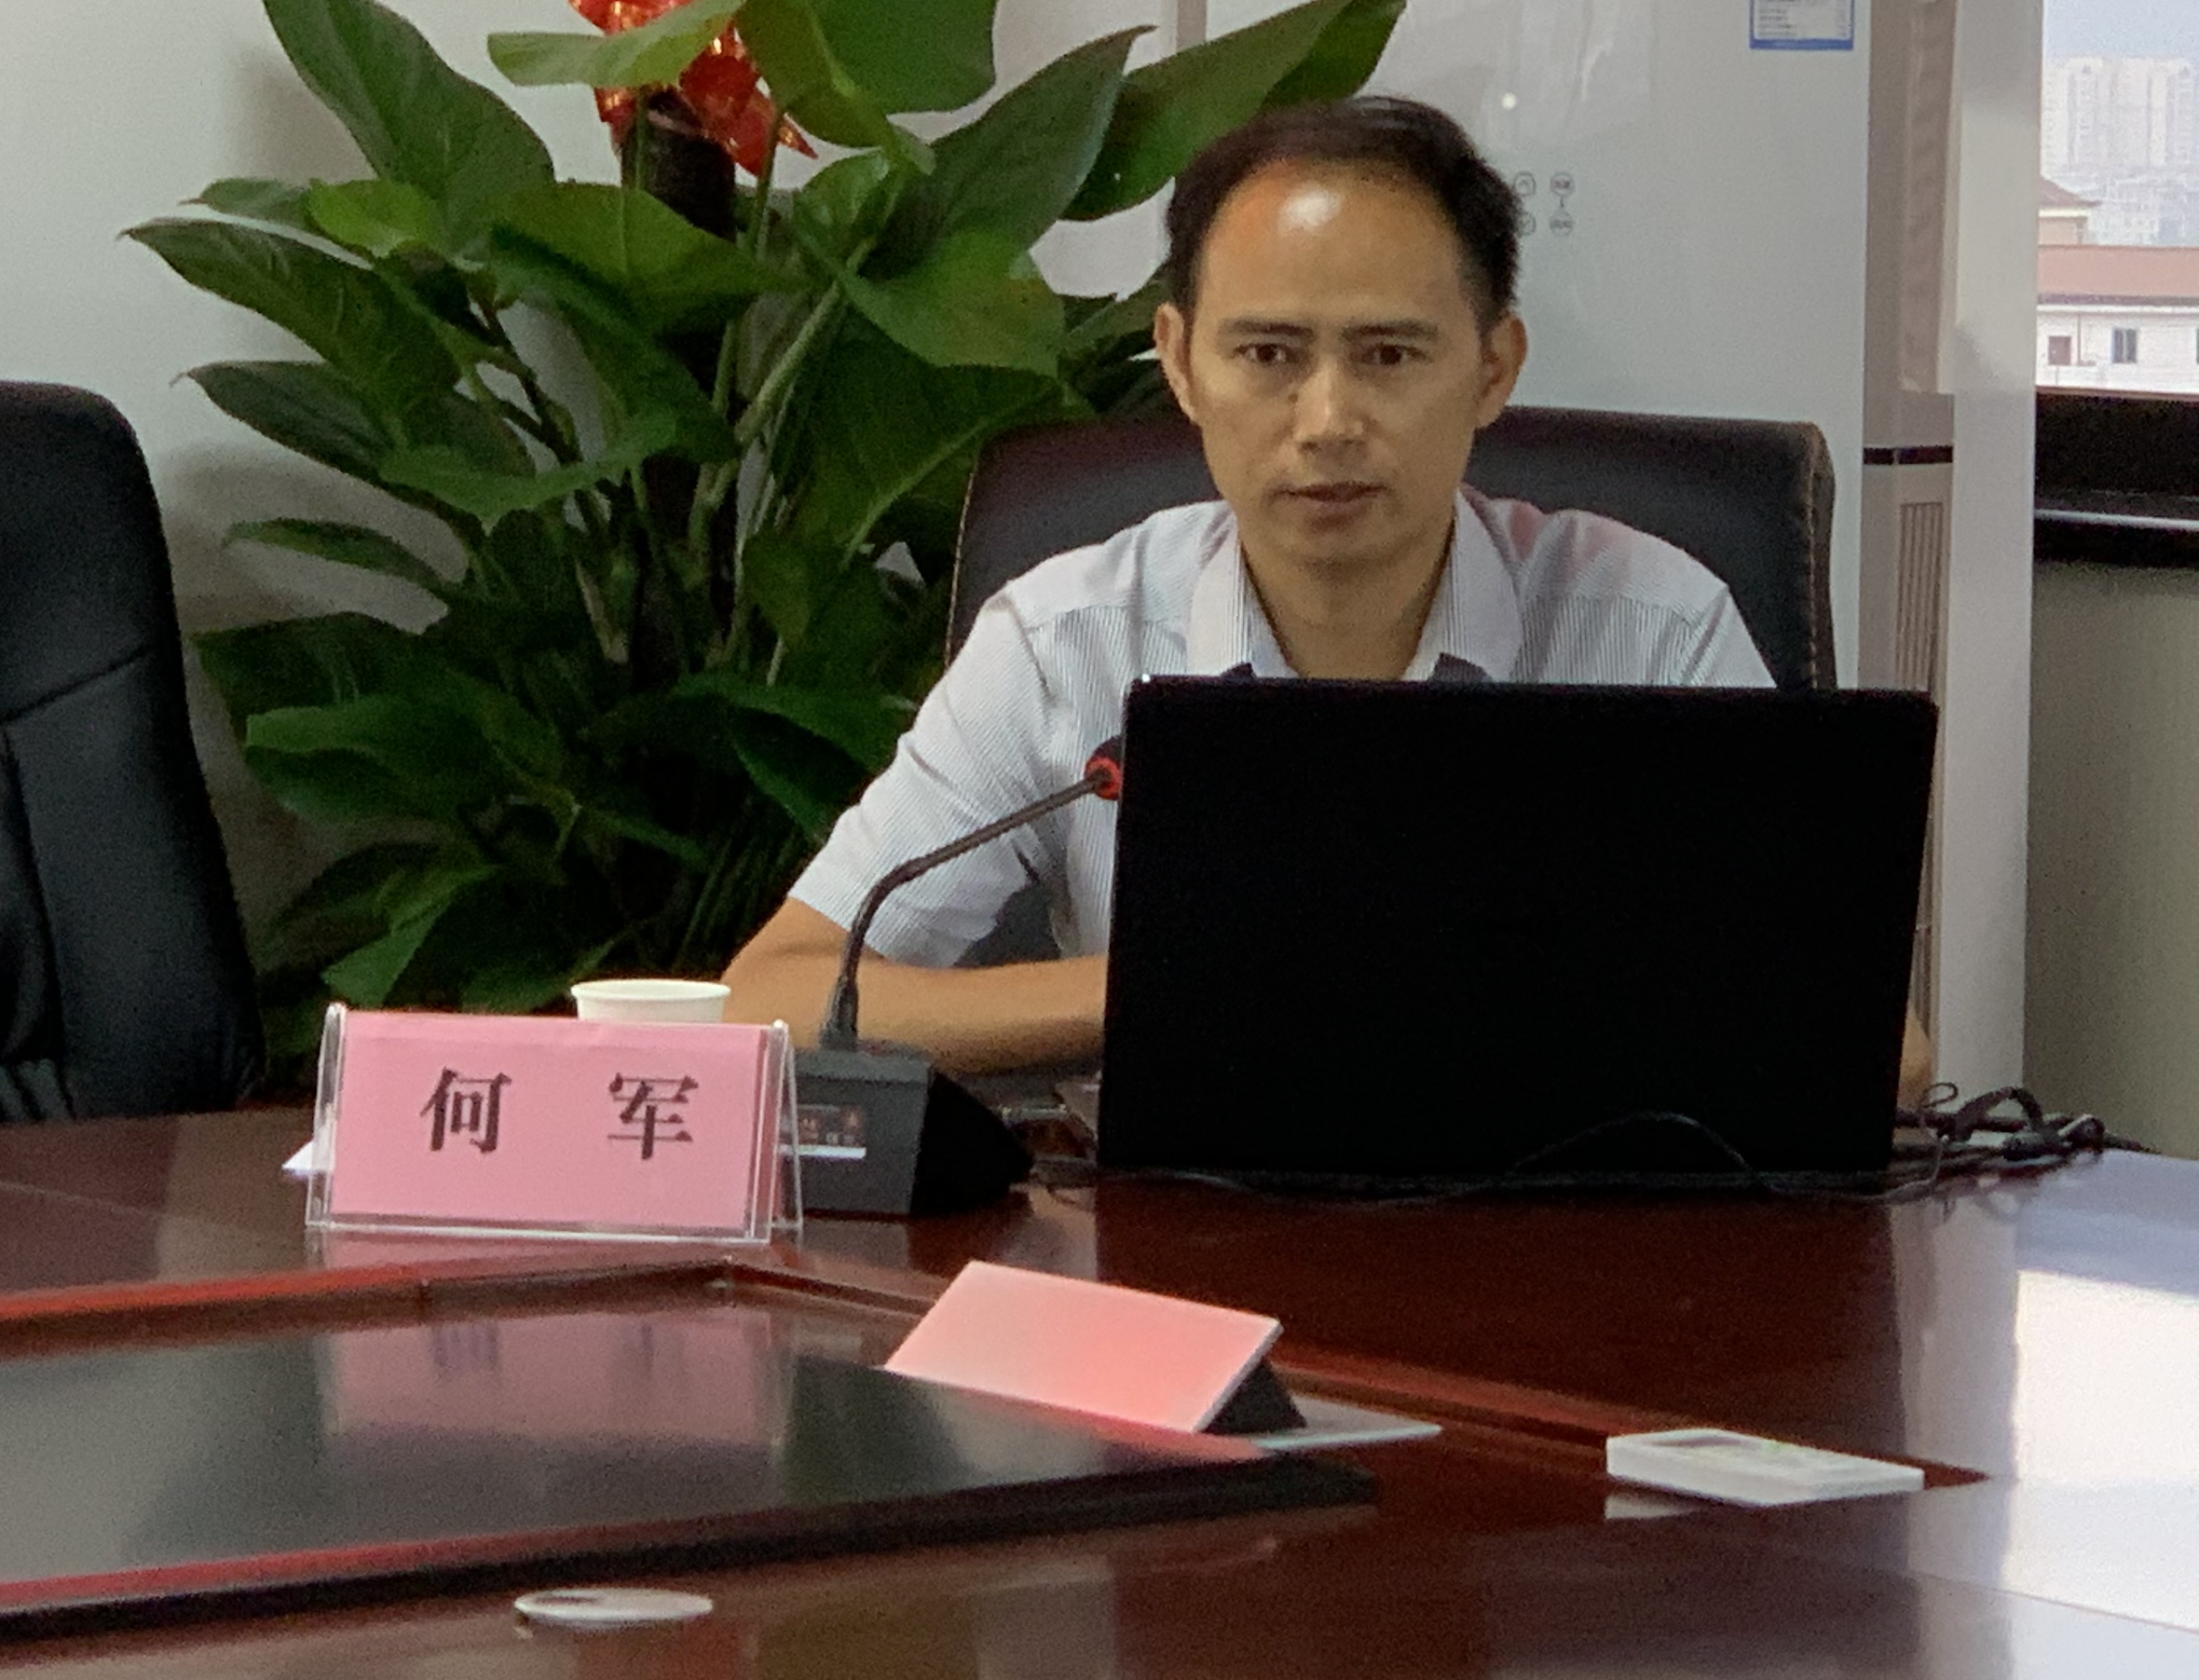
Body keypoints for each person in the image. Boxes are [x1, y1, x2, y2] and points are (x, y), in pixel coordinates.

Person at [720, 95, 1775, 1075]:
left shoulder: (1653, 628)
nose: (1327, 422)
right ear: (1181, 364)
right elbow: (774, 996)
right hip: (1167, 1207)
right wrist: (1162, 986)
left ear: (1494, 368)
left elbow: (1838, 1022)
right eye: (1269, 354)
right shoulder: (1067, 640)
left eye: (1389, 356)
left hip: (1563, 1202)